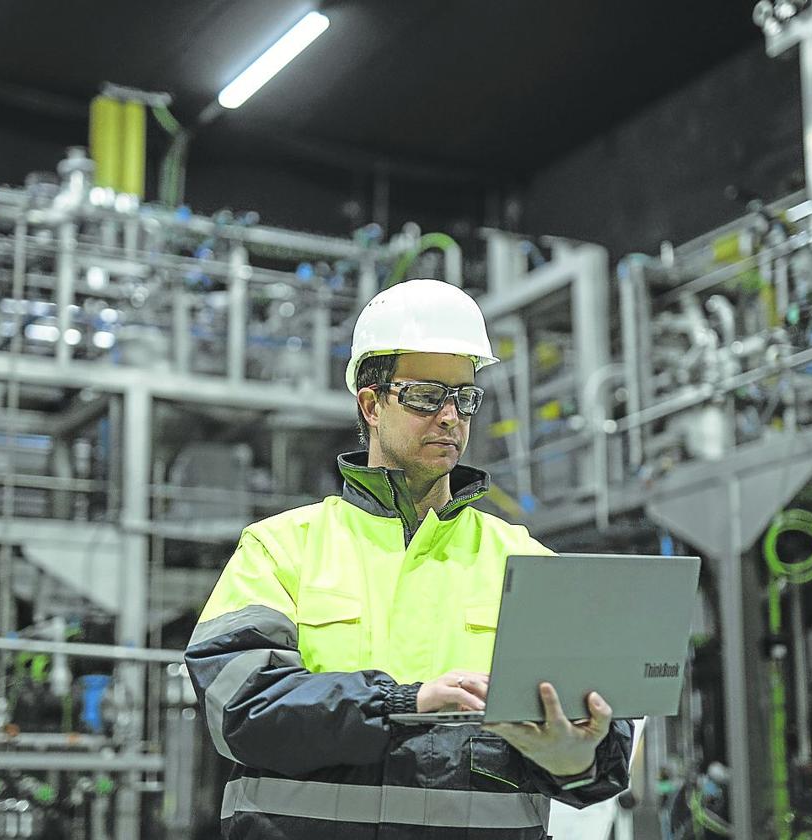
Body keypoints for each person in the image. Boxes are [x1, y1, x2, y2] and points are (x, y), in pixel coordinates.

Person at [185, 278, 631, 839]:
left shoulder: (524, 560)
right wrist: (403, 702)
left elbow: (606, 756)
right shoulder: (281, 549)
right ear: (371, 404)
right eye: (426, 396)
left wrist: (574, 754)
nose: (450, 416)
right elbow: (240, 709)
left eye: (465, 398)